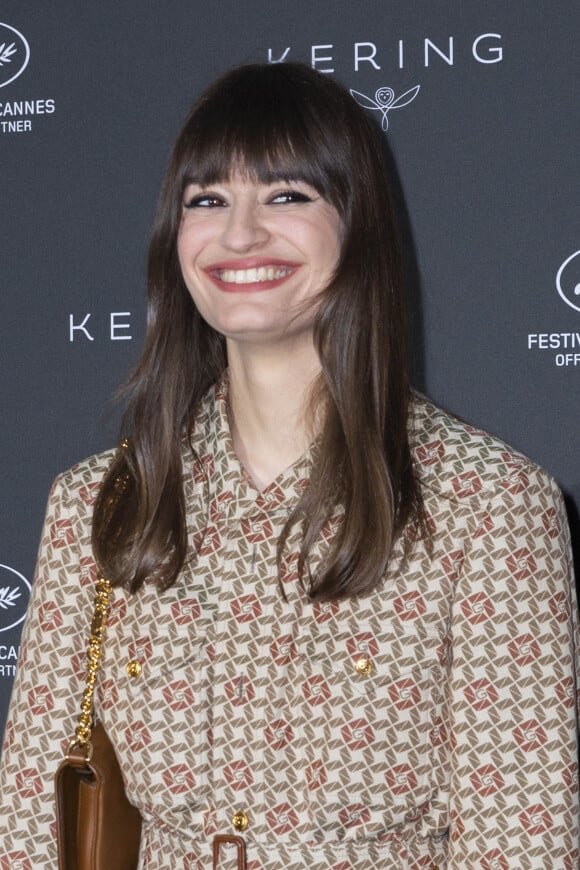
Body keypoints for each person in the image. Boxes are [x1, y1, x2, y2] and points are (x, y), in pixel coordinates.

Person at [0, 62, 578, 870]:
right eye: (208, 200)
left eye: (286, 196)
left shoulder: (487, 503)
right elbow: (32, 826)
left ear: (358, 225)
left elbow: (522, 843)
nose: (239, 235)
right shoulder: (97, 503)